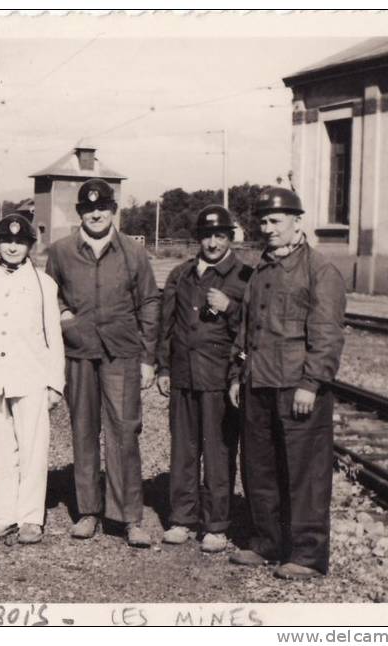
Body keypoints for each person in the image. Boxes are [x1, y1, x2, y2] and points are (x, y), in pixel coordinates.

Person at [227, 186, 346, 580]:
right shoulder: (260, 268)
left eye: (276, 221)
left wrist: (311, 383)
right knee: (260, 468)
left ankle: (308, 555)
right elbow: (246, 329)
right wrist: (236, 374)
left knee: (303, 472)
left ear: (298, 222)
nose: (268, 228)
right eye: (263, 221)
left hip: (296, 385)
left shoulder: (320, 270)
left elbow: (327, 335)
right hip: (257, 382)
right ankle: (267, 542)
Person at [44, 178, 160, 547]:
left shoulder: (133, 251)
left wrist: (148, 357)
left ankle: (128, 517)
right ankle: (89, 511)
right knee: (82, 431)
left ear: (113, 211)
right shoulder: (61, 251)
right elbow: (50, 294)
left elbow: (149, 303)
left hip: (121, 354)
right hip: (78, 353)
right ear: (80, 213)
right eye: (88, 209)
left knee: (124, 433)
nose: (96, 213)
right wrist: (64, 316)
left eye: (103, 208)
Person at [0, 213, 64, 545]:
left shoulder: (44, 285)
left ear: (30, 247)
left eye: (20, 242)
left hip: (31, 375)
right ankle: (4, 514)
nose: (12, 247)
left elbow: (53, 336)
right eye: (6, 240)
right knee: (0, 446)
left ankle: (31, 518)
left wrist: (54, 382)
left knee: (34, 447)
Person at [157, 205, 250, 553]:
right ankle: (181, 518)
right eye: (207, 236)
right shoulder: (181, 275)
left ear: (230, 238)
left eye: (220, 236)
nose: (212, 243)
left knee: (218, 453)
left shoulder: (243, 277)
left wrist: (231, 307)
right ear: (198, 238)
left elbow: (251, 329)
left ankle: (215, 525)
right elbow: (167, 326)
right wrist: (164, 368)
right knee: (183, 450)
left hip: (218, 379)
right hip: (183, 376)